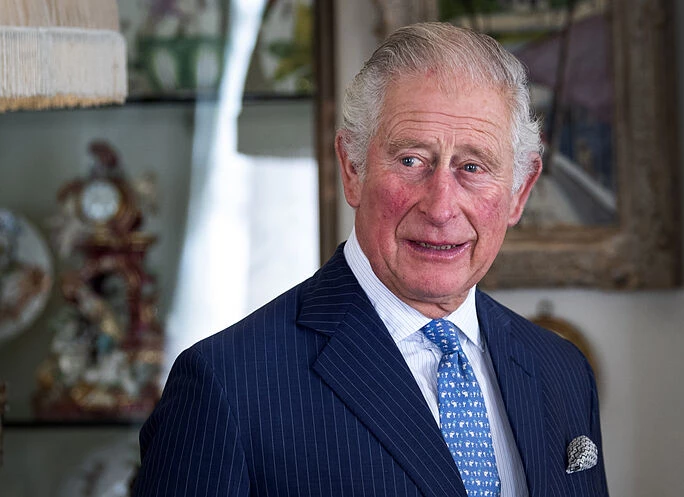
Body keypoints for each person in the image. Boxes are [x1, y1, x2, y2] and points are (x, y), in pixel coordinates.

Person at [133, 22, 609, 497]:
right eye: (411, 161)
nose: (441, 208)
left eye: (472, 167)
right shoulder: (226, 385)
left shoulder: (562, 371)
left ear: (519, 192)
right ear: (352, 169)